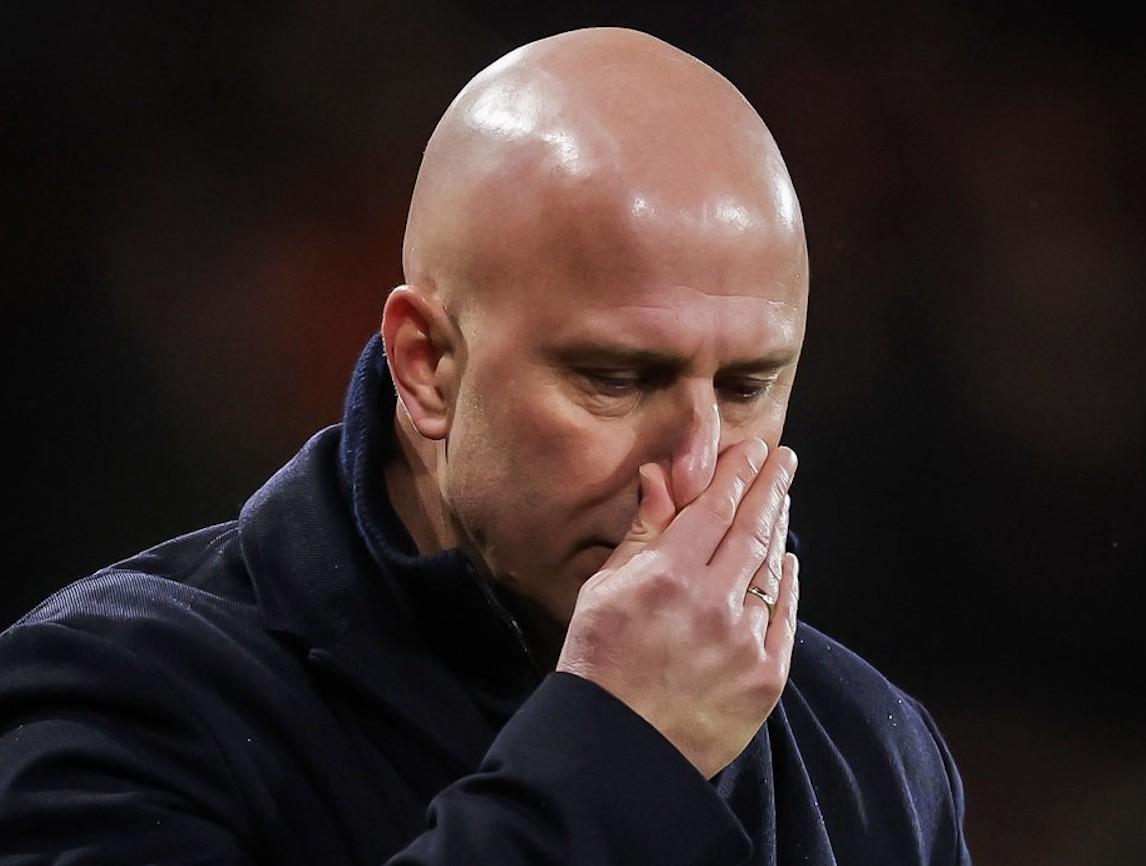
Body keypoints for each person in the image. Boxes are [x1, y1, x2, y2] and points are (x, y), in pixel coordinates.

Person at [0, 27, 971, 866]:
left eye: (745, 386)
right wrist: (623, 755)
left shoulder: (868, 750)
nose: (692, 468)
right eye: (616, 377)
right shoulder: (114, 704)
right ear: (426, 364)